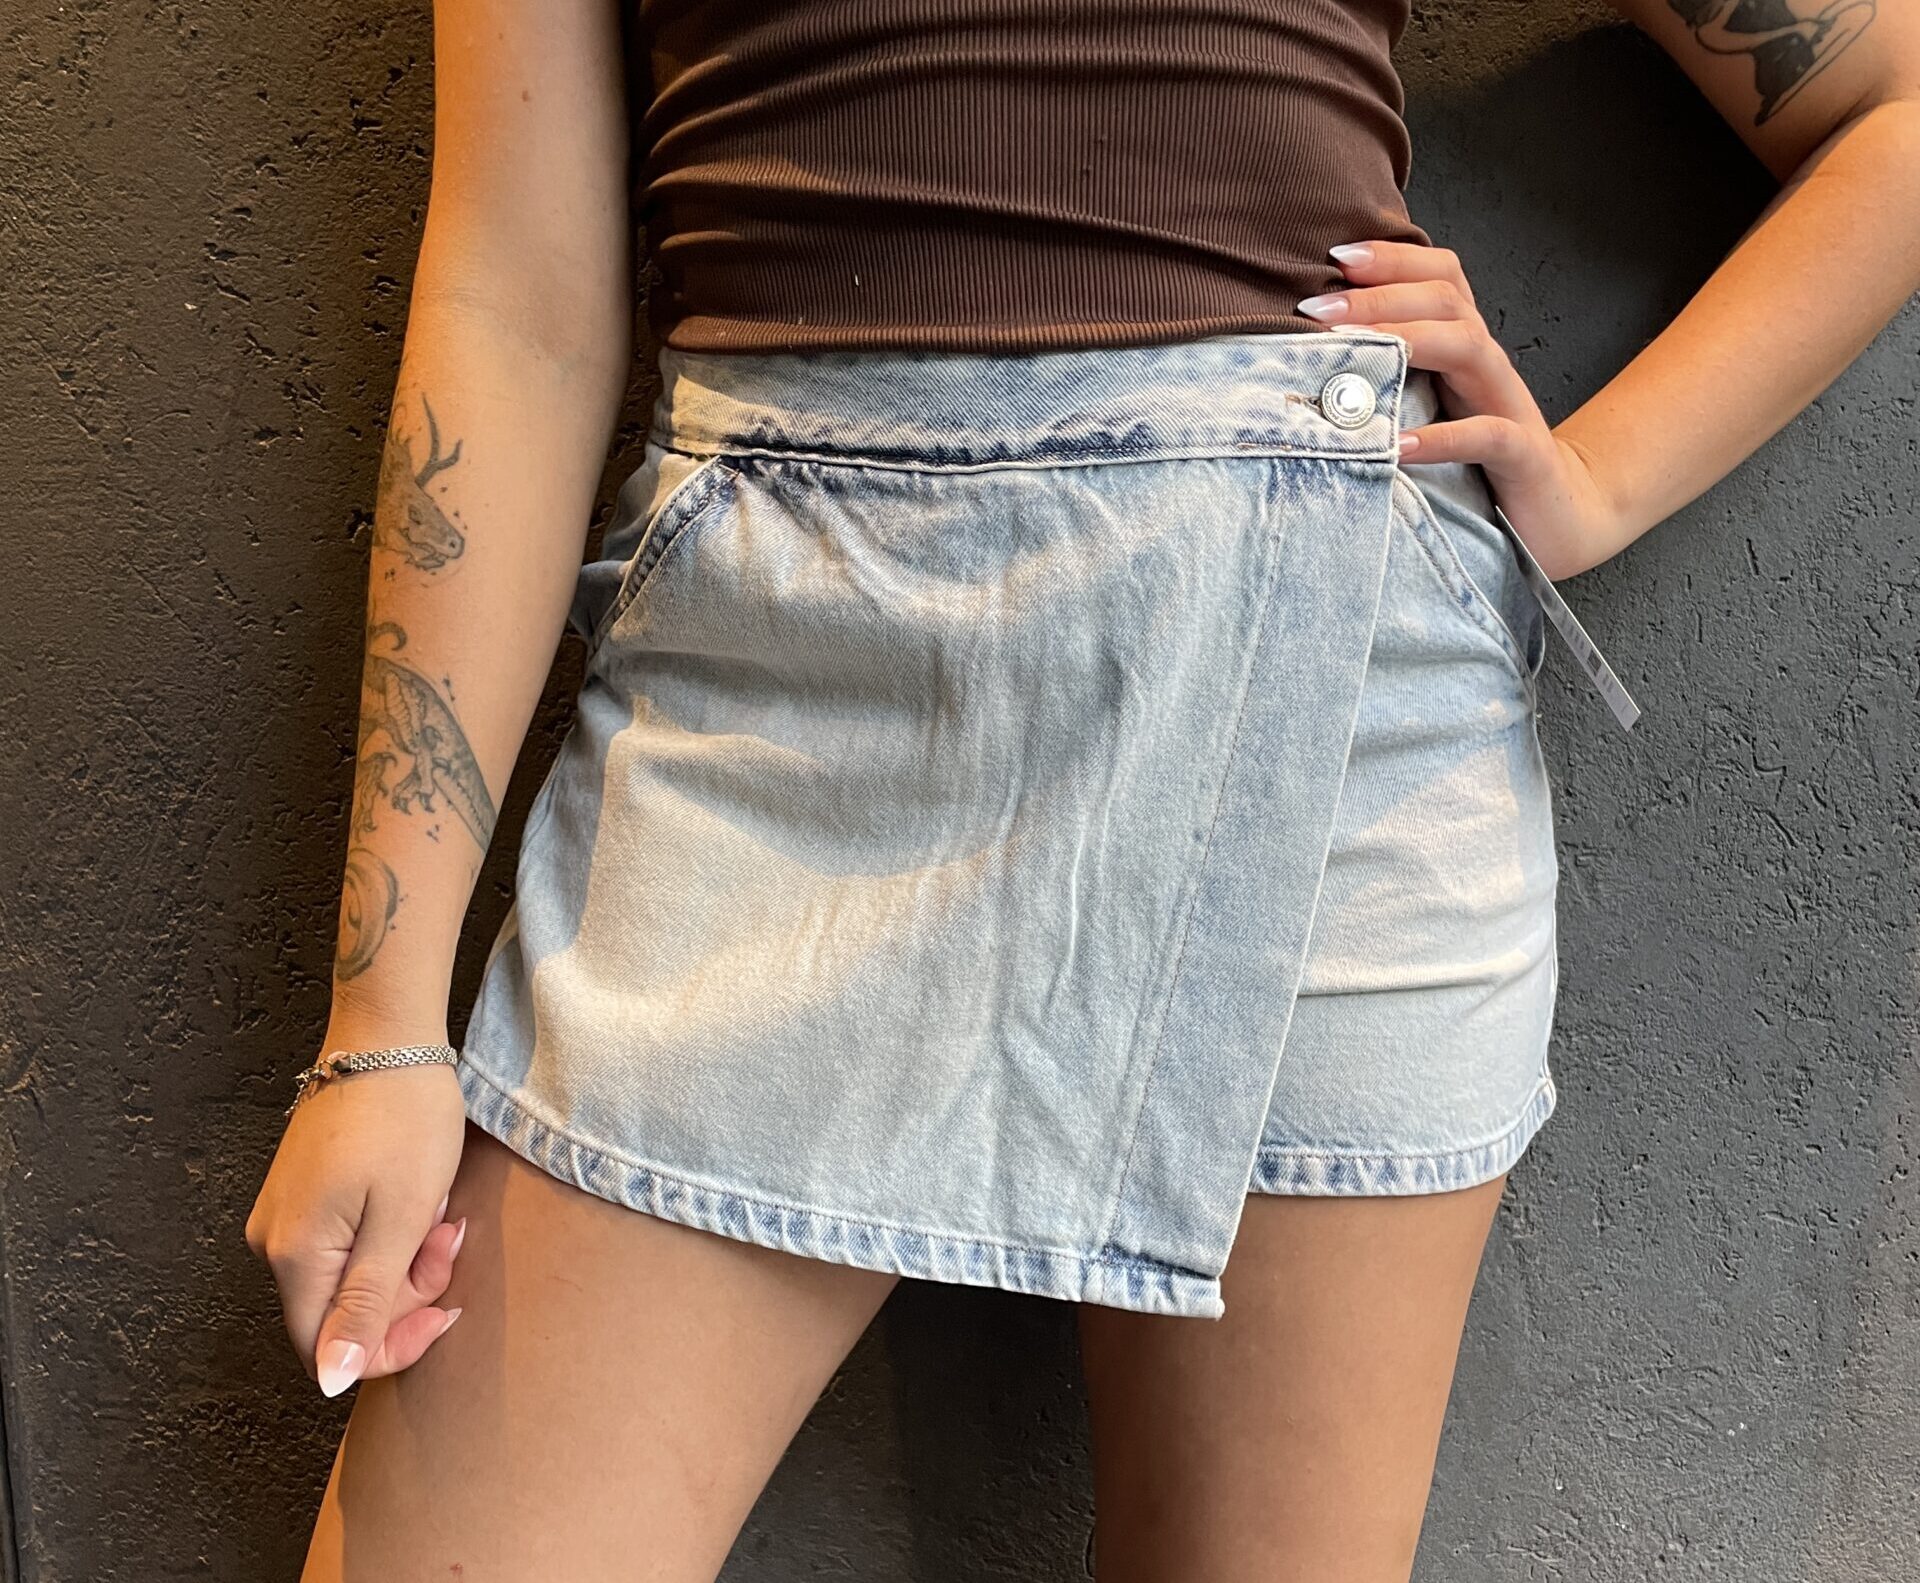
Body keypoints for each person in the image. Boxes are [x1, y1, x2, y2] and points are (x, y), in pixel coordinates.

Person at [244, 1, 1920, 1576]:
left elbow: (1890, 107)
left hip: (1318, 692)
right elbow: (517, 309)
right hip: (778, 702)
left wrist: (1601, 483)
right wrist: (382, 1023)